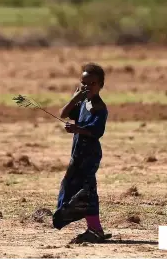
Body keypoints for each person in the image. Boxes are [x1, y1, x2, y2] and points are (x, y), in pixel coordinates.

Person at [53, 62, 112, 244]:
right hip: (78, 152)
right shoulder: (83, 103)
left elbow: (97, 132)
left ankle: (95, 230)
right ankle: (92, 227)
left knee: (87, 191)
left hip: (90, 154)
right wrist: (74, 98)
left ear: (100, 85)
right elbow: (63, 113)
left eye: (92, 84)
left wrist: (78, 129)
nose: (87, 87)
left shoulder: (99, 108)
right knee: (72, 186)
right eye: (84, 83)